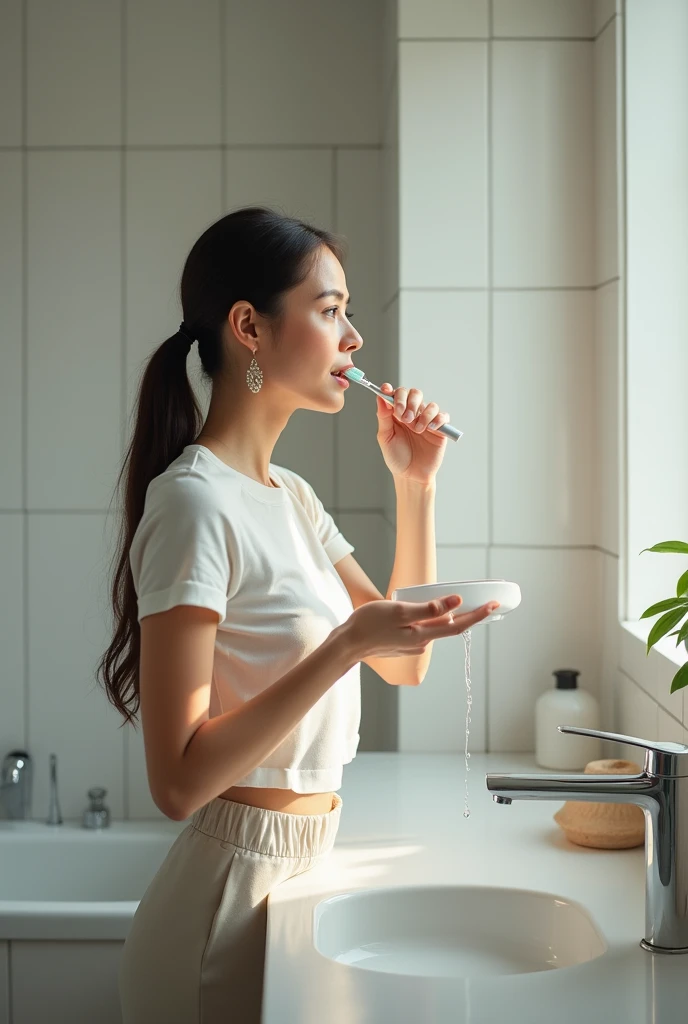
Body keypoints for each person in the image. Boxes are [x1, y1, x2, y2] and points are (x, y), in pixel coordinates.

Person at [98, 205, 497, 1023]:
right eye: (329, 310)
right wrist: (345, 646)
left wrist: (415, 486)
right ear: (249, 326)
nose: (353, 339)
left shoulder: (292, 498)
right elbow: (176, 783)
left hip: (301, 875)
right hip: (221, 909)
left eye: (346, 313)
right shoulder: (195, 505)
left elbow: (404, 658)